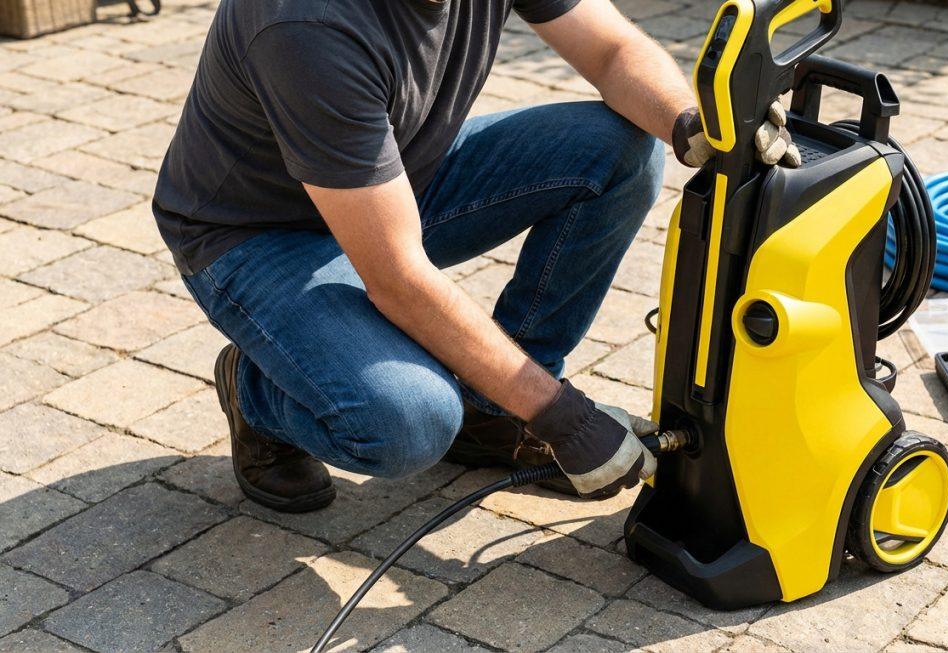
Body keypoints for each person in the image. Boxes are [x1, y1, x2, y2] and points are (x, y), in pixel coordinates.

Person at [153, 0, 799, 513]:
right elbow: (399, 279)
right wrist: (562, 415)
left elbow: (611, 51)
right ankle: (256, 387)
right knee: (409, 418)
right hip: (259, 234)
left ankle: (493, 414)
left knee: (622, 153)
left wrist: (697, 129)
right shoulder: (306, 22)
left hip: (394, 177)